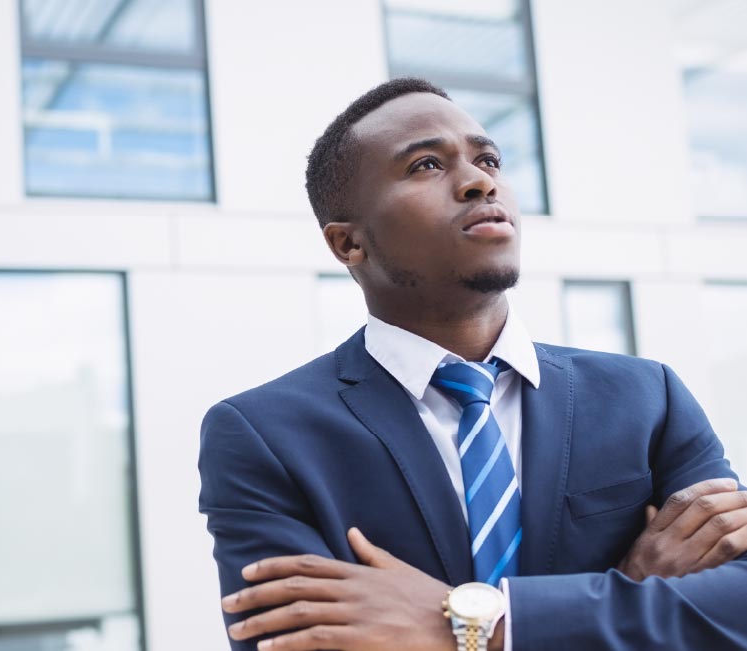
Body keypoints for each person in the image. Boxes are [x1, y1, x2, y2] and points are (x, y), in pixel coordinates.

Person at [198, 77, 747, 651]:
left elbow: (735, 612)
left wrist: (478, 626)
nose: (480, 181)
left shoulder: (647, 397)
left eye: (488, 159)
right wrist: (630, 590)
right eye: (427, 166)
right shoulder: (262, 436)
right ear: (348, 244)